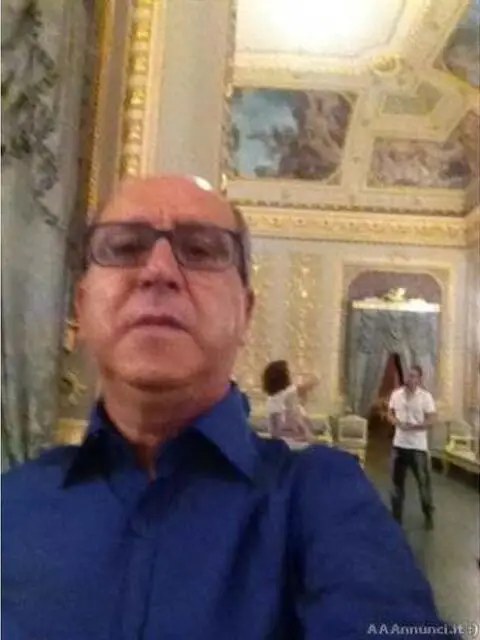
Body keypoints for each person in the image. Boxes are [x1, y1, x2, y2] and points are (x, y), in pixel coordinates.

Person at [2, 175, 459, 639]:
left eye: (200, 250)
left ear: (245, 312)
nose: (158, 270)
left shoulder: (322, 498)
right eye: (123, 247)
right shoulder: (11, 503)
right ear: (82, 308)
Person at [388, 365, 436, 530]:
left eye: (414, 376)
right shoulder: (396, 395)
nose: (410, 379)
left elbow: (432, 419)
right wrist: (394, 421)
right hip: (399, 444)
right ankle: (396, 517)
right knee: (397, 484)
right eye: (409, 376)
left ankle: (428, 514)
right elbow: (390, 413)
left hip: (417, 447)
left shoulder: (426, 397)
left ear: (419, 379)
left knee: (423, 483)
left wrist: (416, 426)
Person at [262, 360, 318, 448]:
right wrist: (306, 434)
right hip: (293, 443)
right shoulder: (288, 393)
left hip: (283, 442)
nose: (293, 374)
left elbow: (274, 429)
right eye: (290, 372)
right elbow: (293, 416)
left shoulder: (273, 397)